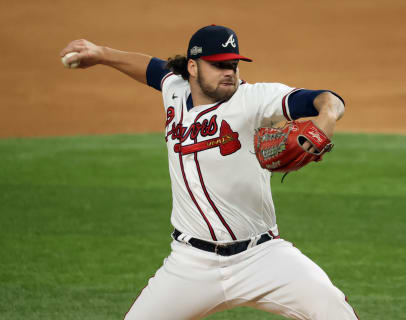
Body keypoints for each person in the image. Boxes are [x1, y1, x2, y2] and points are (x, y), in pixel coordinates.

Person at [61, 25, 359, 320]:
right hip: (191, 264)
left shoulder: (255, 99)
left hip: (261, 257)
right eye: (218, 65)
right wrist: (101, 54)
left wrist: (327, 117)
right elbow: (150, 68)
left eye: (233, 64)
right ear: (192, 67)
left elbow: (326, 99)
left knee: (334, 311)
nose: (229, 71)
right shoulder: (174, 90)